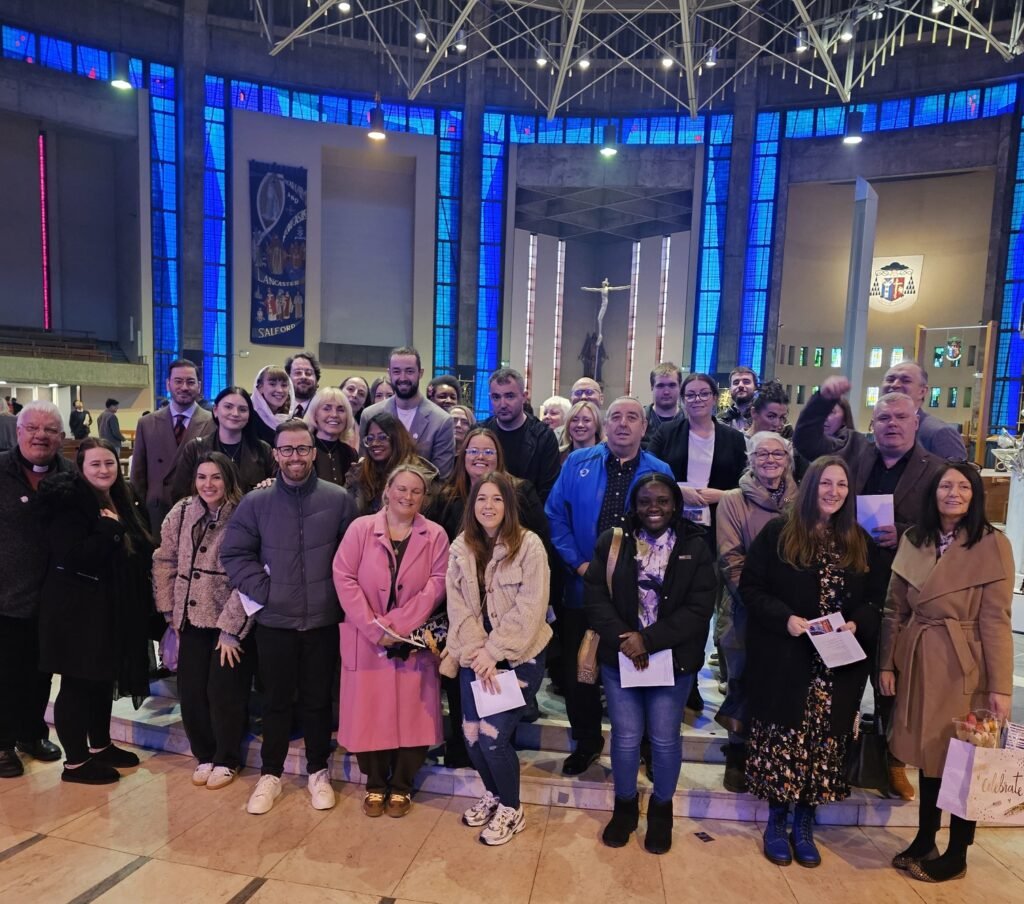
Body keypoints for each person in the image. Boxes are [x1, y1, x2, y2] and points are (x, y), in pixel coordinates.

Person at [794, 376, 949, 799]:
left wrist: (904, 533)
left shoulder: (935, 471)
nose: (891, 424)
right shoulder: (855, 452)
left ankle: (892, 760)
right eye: (883, 417)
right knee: (842, 678)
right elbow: (808, 443)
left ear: (916, 421)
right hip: (849, 589)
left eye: (900, 417)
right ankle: (841, 755)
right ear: (873, 424)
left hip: (904, 592)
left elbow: (948, 530)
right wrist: (821, 399)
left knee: (893, 682)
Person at [740, 456, 884, 868]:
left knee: (823, 747)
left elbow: (877, 598)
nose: (833, 492)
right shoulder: (779, 534)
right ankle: (777, 819)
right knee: (784, 743)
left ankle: (805, 822)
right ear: (809, 487)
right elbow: (751, 587)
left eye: (841, 485)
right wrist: (783, 618)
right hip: (788, 659)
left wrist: (858, 623)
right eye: (825, 483)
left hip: (837, 667)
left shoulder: (858, 540)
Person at [879, 463, 1015, 883]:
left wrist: (1000, 687)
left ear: (975, 494)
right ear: (933, 493)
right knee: (928, 753)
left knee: (964, 757)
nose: (953, 492)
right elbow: (893, 609)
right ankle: (925, 837)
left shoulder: (993, 545)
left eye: (962, 486)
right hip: (919, 657)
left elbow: (996, 620)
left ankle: (957, 851)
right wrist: (887, 662)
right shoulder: (915, 539)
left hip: (965, 664)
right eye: (944, 485)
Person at [220, 418, 357, 816]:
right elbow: (235, 554)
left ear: (314, 453)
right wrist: (266, 594)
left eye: (302, 449)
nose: (295, 457)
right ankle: (271, 774)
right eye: (287, 450)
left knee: (316, 701)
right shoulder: (256, 502)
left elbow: (352, 559)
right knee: (276, 701)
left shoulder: (338, 499)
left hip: (322, 621)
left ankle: (318, 771)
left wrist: (337, 599)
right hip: (275, 621)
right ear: (276, 455)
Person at [585, 474, 716, 854]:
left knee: (663, 738)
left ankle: (661, 810)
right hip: (621, 655)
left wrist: (650, 639)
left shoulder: (695, 544)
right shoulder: (613, 540)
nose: (653, 508)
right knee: (625, 738)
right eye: (645, 501)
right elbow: (595, 597)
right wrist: (628, 638)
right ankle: (624, 806)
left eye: (662, 500)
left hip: (671, 659)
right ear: (634, 504)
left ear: (675, 503)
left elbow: (699, 607)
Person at [546, 397, 673, 776]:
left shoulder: (659, 469)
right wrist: (579, 563)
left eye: (632, 417)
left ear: (643, 427)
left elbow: (669, 525)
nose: (623, 424)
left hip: (641, 594)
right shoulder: (577, 463)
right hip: (584, 584)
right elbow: (555, 515)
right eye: (615, 417)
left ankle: (643, 746)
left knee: (640, 669)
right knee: (580, 671)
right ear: (606, 424)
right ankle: (586, 742)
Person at [333, 464, 449, 819]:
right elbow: (343, 576)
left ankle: (402, 784)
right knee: (369, 714)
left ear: (424, 497)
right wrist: (373, 626)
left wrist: (396, 627)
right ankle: (375, 784)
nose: (407, 496)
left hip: (411, 640)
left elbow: (437, 584)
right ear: (387, 490)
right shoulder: (360, 529)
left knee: (413, 714)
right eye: (401, 488)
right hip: (366, 639)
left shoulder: (436, 535)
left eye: (416, 491)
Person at [36, 438, 155, 785]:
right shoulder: (67, 502)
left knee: (102, 680)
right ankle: (75, 763)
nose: (104, 471)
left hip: (109, 608)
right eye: (96, 465)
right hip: (75, 611)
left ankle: (100, 746)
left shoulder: (120, 496)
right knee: (76, 683)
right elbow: (74, 557)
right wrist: (109, 529)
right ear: (81, 467)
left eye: (110, 464)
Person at [443, 472, 551, 844]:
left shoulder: (530, 545)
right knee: (471, 736)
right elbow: (457, 606)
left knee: (492, 737)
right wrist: (478, 652)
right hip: (474, 655)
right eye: (481, 499)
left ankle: (512, 808)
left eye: (497, 499)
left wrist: (494, 651)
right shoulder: (460, 547)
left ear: (509, 505)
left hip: (518, 656)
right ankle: (493, 794)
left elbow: (530, 609)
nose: (488, 506)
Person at [154, 452, 253, 790]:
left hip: (227, 623)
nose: (208, 484)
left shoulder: (244, 515)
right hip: (189, 619)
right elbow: (164, 561)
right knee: (192, 691)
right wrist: (171, 614)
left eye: (216, 477)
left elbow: (252, 575)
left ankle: (227, 758)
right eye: (201, 477)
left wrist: (231, 629)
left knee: (223, 691)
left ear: (228, 479)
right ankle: (205, 755)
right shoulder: (181, 512)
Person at [714, 432, 797, 792]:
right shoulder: (733, 501)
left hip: (793, 612)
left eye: (777, 453)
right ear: (750, 458)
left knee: (783, 685)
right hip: (746, 608)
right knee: (742, 680)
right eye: (761, 453)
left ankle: (772, 755)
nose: (769, 459)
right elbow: (730, 559)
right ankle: (737, 753)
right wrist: (762, 603)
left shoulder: (803, 499)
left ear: (788, 458)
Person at [0, 402, 74, 778]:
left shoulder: (71, 474)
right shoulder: (0, 469)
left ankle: (30, 733)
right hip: (5, 594)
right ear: (18, 431)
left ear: (61, 437)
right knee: (5, 673)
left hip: (51, 598)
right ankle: (1, 743)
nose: (40, 435)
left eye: (50, 429)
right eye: (33, 428)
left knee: (41, 672)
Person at [649, 373, 747, 552]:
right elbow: (648, 471)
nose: (697, 400)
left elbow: (746, 484)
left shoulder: (735, 438)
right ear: (683, 400)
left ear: (715, 398)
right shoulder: (667, 432)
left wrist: (723, 495)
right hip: (672, 519)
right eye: (690, 395)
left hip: (719, 521)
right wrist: (677, 491)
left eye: (704, 394)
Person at [131, 358, 215, 531]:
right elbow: (138, 475)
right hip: (157, 511)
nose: (184, 387)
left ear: (199, 386)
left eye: (190, 382)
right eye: (178, 381)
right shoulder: (147, 423)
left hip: (199, 509)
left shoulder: (213, 423)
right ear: (168, 384)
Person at [359, 347, 455, 481]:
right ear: (389, 373)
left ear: (420, 373)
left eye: (409, 371)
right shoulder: (370, 414)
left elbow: (441, 479)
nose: (403, 378)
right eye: (396, 371)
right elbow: (364, 468)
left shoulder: (441, 421)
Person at [171, 386, 274, 501]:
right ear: (215, 411)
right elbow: (180, 495)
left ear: (249, 415)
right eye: (228, 407)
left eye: (243, 409)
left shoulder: (262, 449)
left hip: (252, 517)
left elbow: (276, 489)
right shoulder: (195, 449)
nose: (235, 413)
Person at [480, 367, 560, 502]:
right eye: (496, 397)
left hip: (528, 514)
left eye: (510, 396)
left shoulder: (543, 437)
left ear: (524, 397)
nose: (502, 404)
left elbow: (547, 491)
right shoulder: (480, 433)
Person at [345, 411, 437, 515]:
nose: (375, 443)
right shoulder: (358, 473)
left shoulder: (420, 475)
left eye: (382, 437)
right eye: (370, 439)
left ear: (397, 439)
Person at [882, 360, 967, 461]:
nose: (895, 384)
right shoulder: (880, 428)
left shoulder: (941, 434)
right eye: (890, 379)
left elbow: (956, 476)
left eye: (906, 380)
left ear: (922, 392)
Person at [304, 387, 359, 482]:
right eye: (327, 409)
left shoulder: (351, 453)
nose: (334, 415)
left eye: (340, 410)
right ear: (315, 414)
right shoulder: (303, 450)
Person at [250, 365, 296, 446]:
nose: (279, 390)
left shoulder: (290, 419)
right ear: (260, 387)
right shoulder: (249, 417)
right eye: (272, 384)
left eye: (284, 385)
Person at [642, 363, 684, 448]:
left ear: (680, 386)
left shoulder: (690, 421)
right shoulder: (639, 419)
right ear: (652, 387)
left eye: (672, 385)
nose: (666, 392)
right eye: (660, 386)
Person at [559, 399, 604, 464]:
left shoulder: (607, 456)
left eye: (586, 420)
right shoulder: (557, 456)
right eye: (574, 420)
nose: (580, 425)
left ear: (597, 425)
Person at [719, 366, 758, 432]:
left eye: (746, 382)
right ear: (730, 389)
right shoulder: (720, 420)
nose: (740, 385)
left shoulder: (765, 417)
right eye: (736, 383)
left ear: (755, 387)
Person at [285, 352, 321, 417]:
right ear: (288, 378)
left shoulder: (324, 408)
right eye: (298, 373)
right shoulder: (277, 407)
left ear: (316, 379)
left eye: (308, 373)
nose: (303, 377)